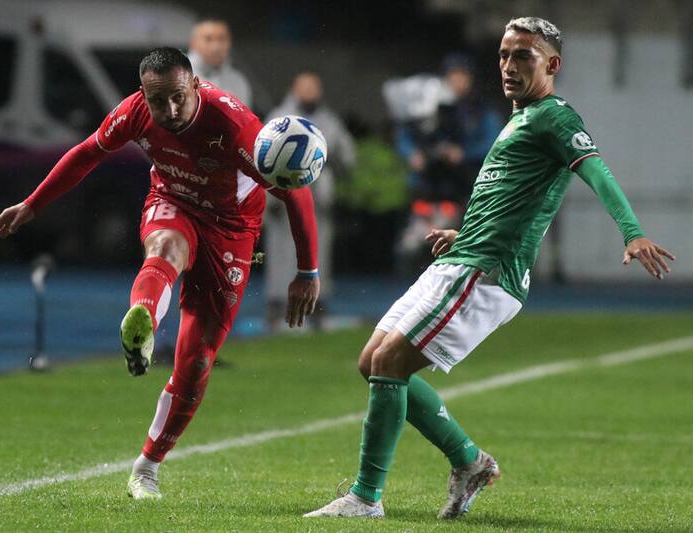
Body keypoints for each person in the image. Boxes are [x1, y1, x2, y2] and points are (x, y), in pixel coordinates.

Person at [304, 17, 674, 520]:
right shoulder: (520, 119)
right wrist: (465, 231)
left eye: (523, 55)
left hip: (487, 272)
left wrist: (631, 231)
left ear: (552, 64)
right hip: (465, 255)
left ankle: (366, 498)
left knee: (391, 364)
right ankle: (468, 462)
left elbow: (595, 170)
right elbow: (515, 198)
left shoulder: (554, 117)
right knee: (373, 362)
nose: (508, 65)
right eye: (503, 54)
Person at [0, 47, 320, 500]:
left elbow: (296, 195)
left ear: (196, 85)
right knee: (164, 248)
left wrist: (307, 270)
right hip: (172, 203)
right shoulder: (134, 113)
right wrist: (32, 204)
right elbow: (86, 154)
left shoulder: (236, 129)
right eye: (158, 100)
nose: (170, 110)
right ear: (143, 93)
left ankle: (147, 466)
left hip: (232, 230)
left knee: (196, 360)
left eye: (178, 97)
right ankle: (142, 320)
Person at [394, 53, 502, 275]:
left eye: (462, 75)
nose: (456, 81)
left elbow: (494, 143)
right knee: (412, 248)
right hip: (428, 185)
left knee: (462, 247)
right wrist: (413, 154)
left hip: (464, 186)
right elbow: (405, 134)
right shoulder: (427, 105)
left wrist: (463, 153)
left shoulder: (479, 110)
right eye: (452, 75)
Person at [264, 72, 356, 330]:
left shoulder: (329, 120)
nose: (309, 92)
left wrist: (334, 161)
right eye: (304, 87)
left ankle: (316, 302)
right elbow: (261, 156)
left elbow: (347, 156)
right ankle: (276, 303)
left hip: (318, 193)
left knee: (319, 248)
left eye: (314, 87)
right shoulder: (279, 117)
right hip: (284, 192)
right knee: (282, 249)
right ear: (294, 88)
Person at [188, 19, 252, 108]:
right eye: (208, 39)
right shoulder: (178, 76)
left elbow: (244, 120)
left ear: (230, 42)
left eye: (221, 39)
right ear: (193, 43)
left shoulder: (238, 81)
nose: (216, 47)